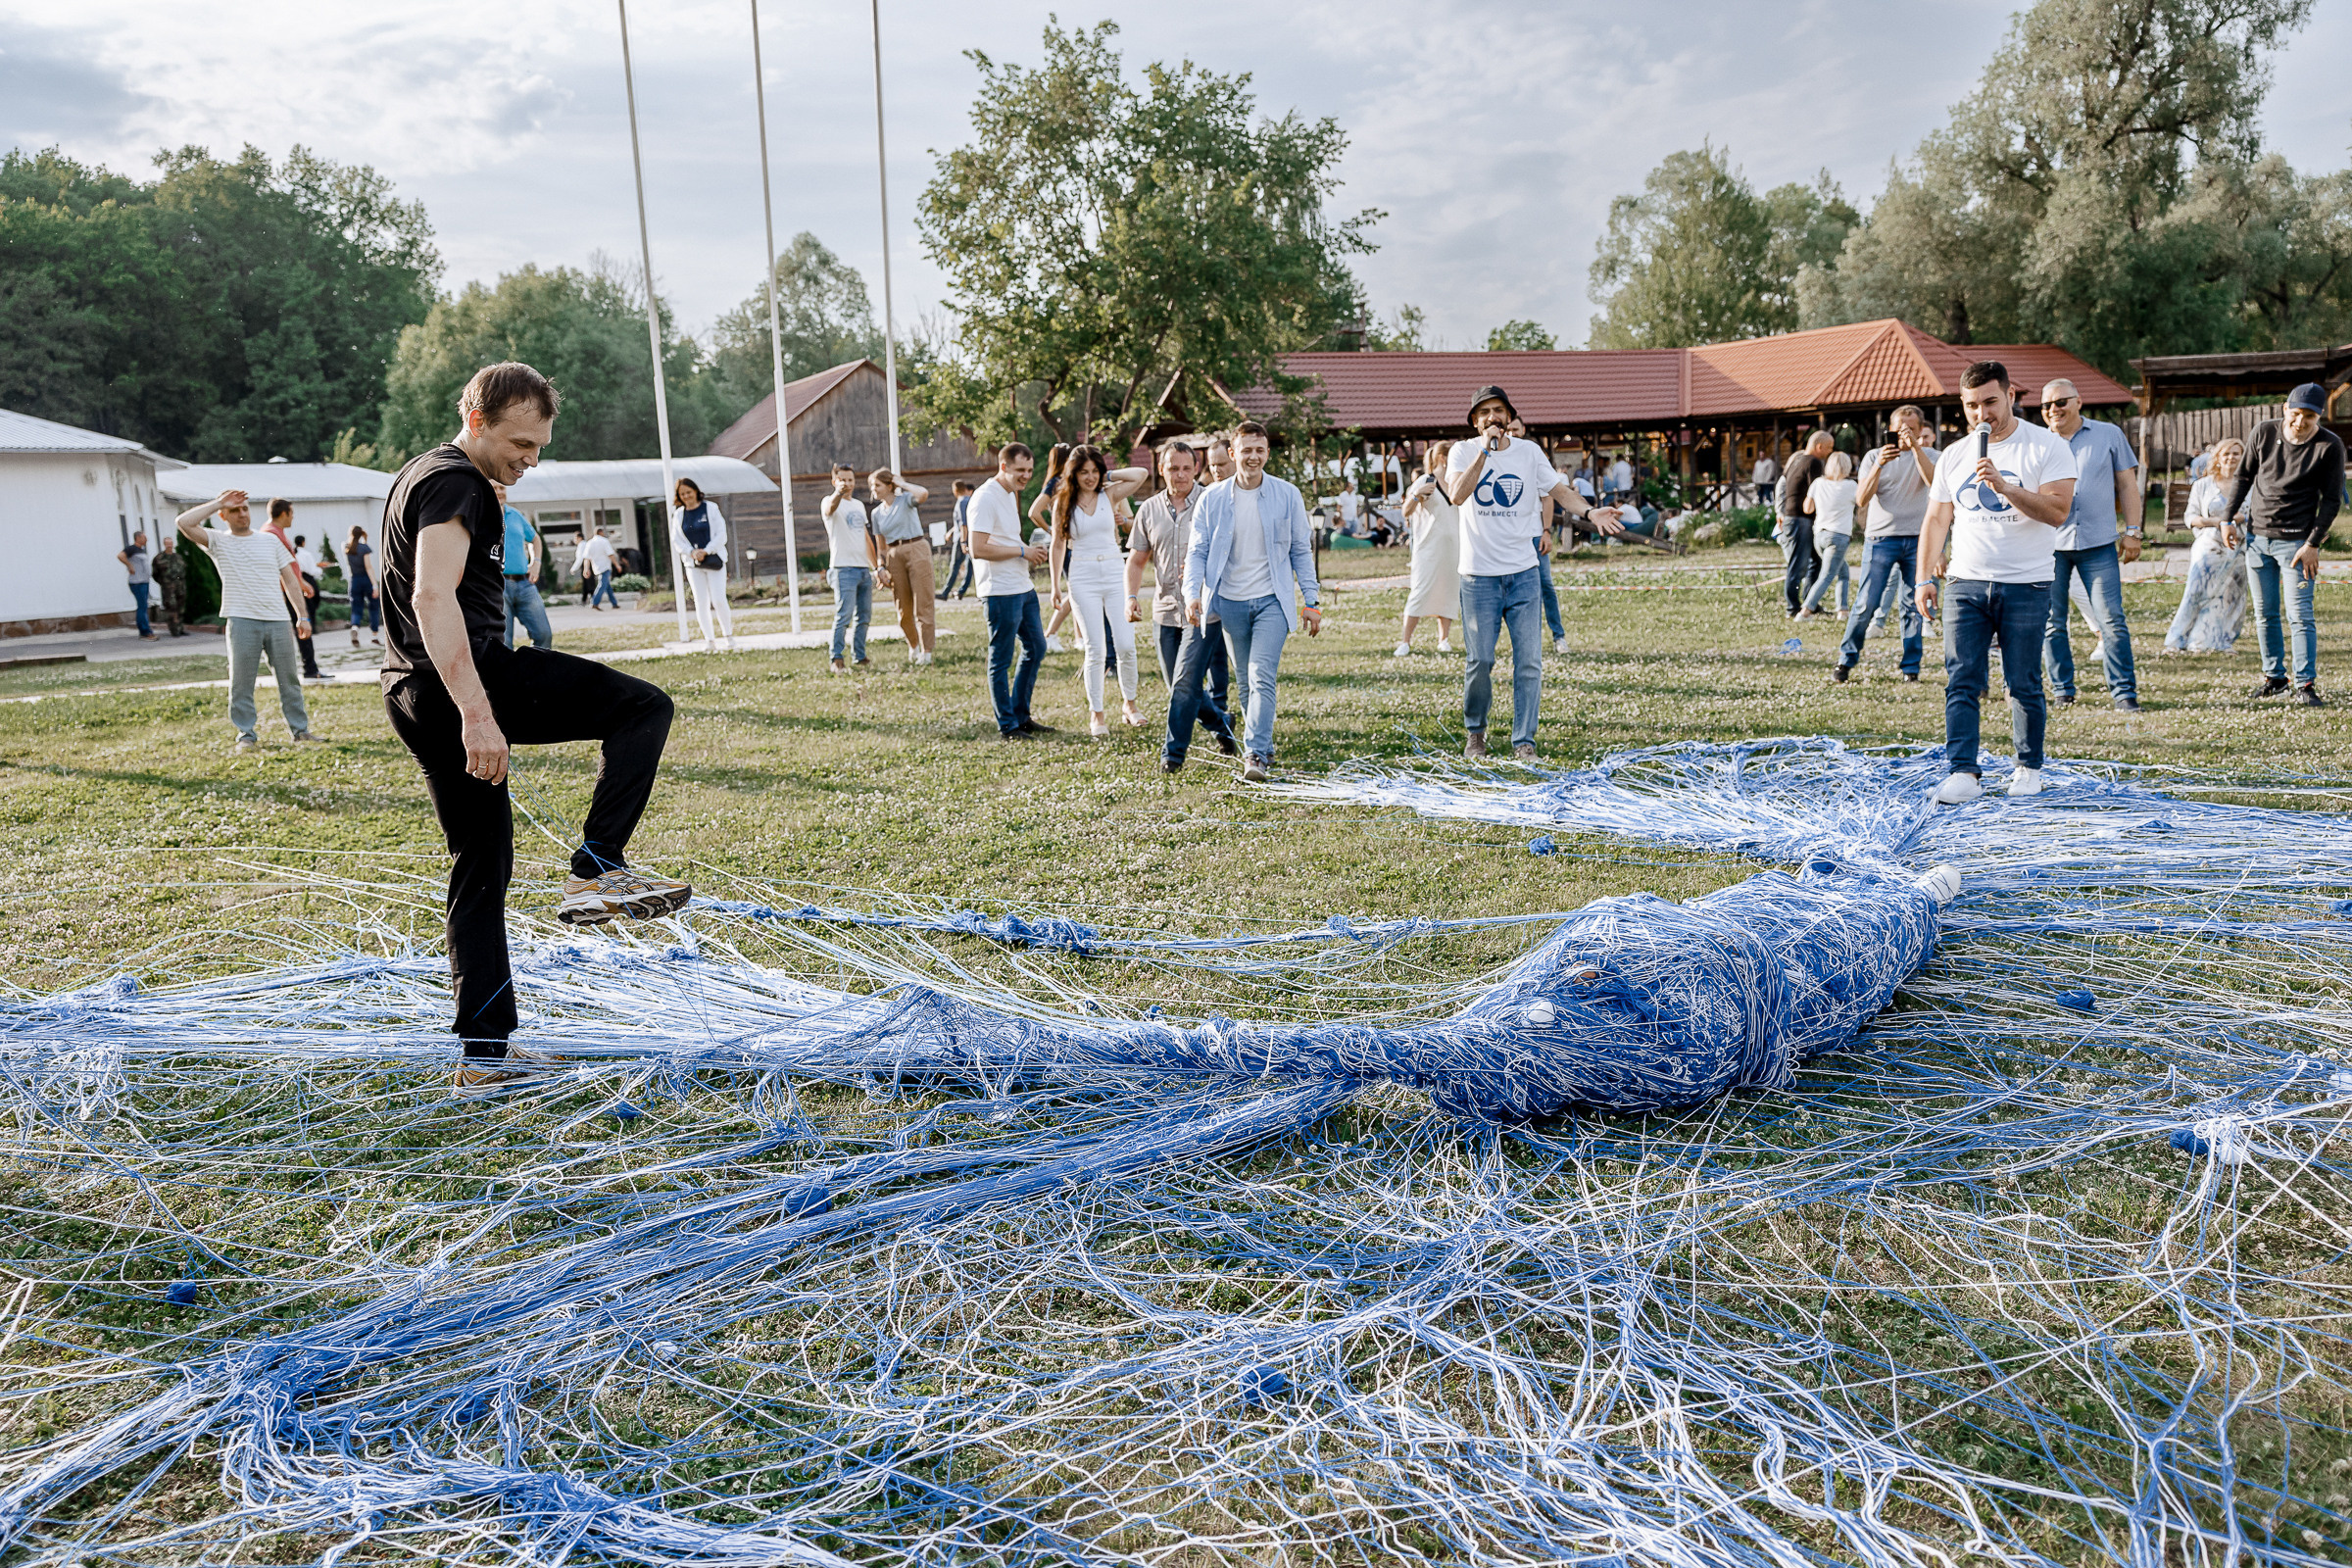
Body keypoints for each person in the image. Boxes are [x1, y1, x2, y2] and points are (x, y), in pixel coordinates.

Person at [377, 361, 691, 1098]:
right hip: (468, 681)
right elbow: (431, 596)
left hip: (409, 689)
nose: (530, 459)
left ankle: (485, 1056)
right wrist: (478, 715)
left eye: (540, 446)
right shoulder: (455, 483)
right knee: (643, 707)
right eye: (519, 442)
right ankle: (597, 867)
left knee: (480, 866)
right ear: (477, 420)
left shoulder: (424, 475)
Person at [1915, 361, 2080, 805]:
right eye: (1971, 405)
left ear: (2010, 395)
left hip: (2026, 584)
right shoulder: (1953, 454)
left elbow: (2058, 511)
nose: (1980, 413)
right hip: (1966, 583)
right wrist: (1924, 577)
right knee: (1962, 677)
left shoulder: (2047, 447)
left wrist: (2006, 488)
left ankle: (2028, 766)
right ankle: (1963, 771)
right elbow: (1936, 518)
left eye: (1989, 401)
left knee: (2022, 681)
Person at [1445, 386, 1623, 760]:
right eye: (1485, 412)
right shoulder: (1463, 451)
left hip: (1523, 574)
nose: (1493, 417)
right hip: (1478, 578)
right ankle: (1475, 734)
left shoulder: (1529, 452)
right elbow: (1457, 495)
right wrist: (1484, 452)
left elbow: (1558, 491)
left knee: (1529, 662)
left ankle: (1524, 741)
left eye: (1499, 411)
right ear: (1476, 421)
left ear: (1510, 418)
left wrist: (1590, 513)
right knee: (1480, 661)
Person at [1177, 421, 1320, 781]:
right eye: (1246, 450)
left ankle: (1254, 753)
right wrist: (1192, 593)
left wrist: (1312, 600)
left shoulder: (1287, 494)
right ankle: (1261, 744)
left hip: (1272, 600)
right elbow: (1197, 551)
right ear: (1233, 453)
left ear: (1267, 453)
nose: (1252, 457)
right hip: (1230, 602)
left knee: (1261, 675)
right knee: (1244, 681)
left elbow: (1301, 550)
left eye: (1259, 450)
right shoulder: (1212, 499)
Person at [2227, 383, 2346, 706]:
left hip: (2297, 545)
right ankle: (2274, 678)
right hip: (2257, 539)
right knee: (2265, 614)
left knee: (2300, 616)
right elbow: (2243, 477)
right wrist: (2228, 519)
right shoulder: (2263, 433)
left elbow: (2332, 501)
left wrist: (2312, 544)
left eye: (2309, 416)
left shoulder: (2329, 446)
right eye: (2295, 414)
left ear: (2319, 416)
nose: (2300, 421)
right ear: (2284, 409)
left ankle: (2305, 684)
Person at [172, 488, 316, 753]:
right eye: (234, 510)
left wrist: (302, 615)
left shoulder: (270, 541)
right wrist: (218, 501)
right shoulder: (217, 541)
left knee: (289, 679)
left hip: (277, 619)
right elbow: (183, 523)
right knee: (241, 682)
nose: (242, 514)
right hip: (242, 620)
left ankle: (300, 731)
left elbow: (290, 580)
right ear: (223, 516)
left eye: (245, 509)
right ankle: (246, 735)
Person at [2038, 379, 2142, 712]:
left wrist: (2134, 531)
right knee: (2052, 621)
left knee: (2111, 618)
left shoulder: (2108, 434)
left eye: (2060, 402)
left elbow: (2127, 484)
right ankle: (2062, 691)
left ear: (2078, 401)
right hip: (2048, 545)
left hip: (2098, 543)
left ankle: (2124, 693)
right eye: (2046, 405)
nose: (2053, 409)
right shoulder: (2037, 442)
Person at [1128, 440, 1238, 757]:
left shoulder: (1212, 502)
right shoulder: (1148, 510)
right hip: (1164, 610)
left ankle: (1172, 754)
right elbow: (1136, 560)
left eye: (1186, 468)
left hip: (1202, 610)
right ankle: (1222, 723)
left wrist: (1200, 568)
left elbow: (1229, 551)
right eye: (1173, 469)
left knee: (1186, 683)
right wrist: (1131, 596)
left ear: (1196, 469)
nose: (1180, 475)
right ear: (1161, 470)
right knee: (1178, 686)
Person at [1832, 407, 1937, 683]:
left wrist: (1915, 448)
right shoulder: (1872, 457)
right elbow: (1861, 499)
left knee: (1913, 605)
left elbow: (1934, 484)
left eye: (1910, 429)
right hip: (1881, 538)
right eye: (1898, 429)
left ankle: (1910, 668)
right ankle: (1846, 660)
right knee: (1867, 601)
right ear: (1888, 429)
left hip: (1918, 538)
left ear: (1919, 430)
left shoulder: (1931, 456)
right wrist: (1879, 464)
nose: (1903, 434)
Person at [1048, 446, 1149, 736]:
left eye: (1094, 471)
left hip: (1116, 572)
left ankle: (1130, 705)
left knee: (1126, 645)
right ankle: (1097, 715)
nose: (1090, 477)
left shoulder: (1109, 494)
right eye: (1084, 472)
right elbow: (1057, 545)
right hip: (1083, 575)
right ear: (1074, 474)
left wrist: (1109, 475)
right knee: (1095, 649)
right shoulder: (1062, 503)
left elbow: (1140, 474)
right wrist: (1055, 584)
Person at [970, 442, 1052, 738]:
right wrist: (1022, 552)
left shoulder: (1009, 494)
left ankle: (1021, 715)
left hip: (1022, 585)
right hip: (1000, 591)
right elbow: (978, 549)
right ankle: (1008, 726)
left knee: (1037, 647)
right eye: (1020, 470)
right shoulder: (984, 498)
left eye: (1029, 470)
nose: (1026, 476)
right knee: (1001, 659)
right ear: (1003, 466)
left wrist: (1030, 552)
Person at [2164, 436, 2249, 655]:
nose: (2231, 457)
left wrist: (2230, 521)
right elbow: (2190, 517)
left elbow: (2251, 513)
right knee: (2195, 592)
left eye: (2236, 453)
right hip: (2209, 545)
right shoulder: (2203, 485)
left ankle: (2212, 640)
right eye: (2226, 453)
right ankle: (2176, 640)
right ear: (2218, 458)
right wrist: (2219, 523)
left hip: (2239, 547)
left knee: (2231, 596)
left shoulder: (2250, 484)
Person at [1508, 418, 1568, 653]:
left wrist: (1546, 531)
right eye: (1508, 429)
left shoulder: (1533, 456)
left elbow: (1547, 497)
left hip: (1534, 535)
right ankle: (1523, 642)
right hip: (1510, 537)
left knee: (1546, 586)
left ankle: (1558, 636)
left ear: (1523, 430)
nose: (1512, 433)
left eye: (1515, 429)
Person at [1396, 439, 1460, 655]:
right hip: (1428, 548)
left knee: (1449, 591)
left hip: (1453, 548)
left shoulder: (1457, 482)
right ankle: (1405, 641)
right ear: (1443, 458)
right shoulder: (1426, 480)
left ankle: (1443, 638)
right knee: (1420, 591)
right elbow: (1406, 511)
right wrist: (1417, 494)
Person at [867, 468, 936, 664]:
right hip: (893, 555)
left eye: (877, 485)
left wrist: (902, 483)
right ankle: (913, 646)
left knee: (923, 603)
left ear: (889, 486)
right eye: (871, 486)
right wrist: (880, 567)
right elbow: (880, 546)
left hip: (916, 548)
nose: (873, 489)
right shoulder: (876, 514)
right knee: (902, 607)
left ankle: (927, 651)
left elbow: (923, 494)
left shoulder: (905, 500)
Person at [821, 464, 877, 672]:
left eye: (851, 480)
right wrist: (838, 493)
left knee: (864, 616)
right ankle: (836, 657)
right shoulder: (829, 501)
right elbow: (830, 509)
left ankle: (859, 656)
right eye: (843, 479)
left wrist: (876, 567)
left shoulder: (859, 506)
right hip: (843, 568)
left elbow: (865, 537)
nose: (847, 483)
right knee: (843, 615)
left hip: (862, 568)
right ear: (835, 481)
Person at [669, 477, 734, 654]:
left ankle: (728, 636)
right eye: (682, 494)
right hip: (693, 563)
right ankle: (710, 640)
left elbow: (721, 534)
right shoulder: (679, 514)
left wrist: (707, 550)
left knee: (719, 599)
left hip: (714, 560)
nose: (686, 496)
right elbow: (676, 540)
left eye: (689, 492)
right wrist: (692, 552)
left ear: (696, 491)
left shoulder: (710, 508)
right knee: (701, 601)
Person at [1796, 453, 1858, 619]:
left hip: (1820, 535)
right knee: (1827, 575)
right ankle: (1805, 611)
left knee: (1843, 572)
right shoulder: (1851, 486)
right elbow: (1862, 502)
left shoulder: (1818, 483)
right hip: (1838, 536)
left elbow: (1807, 509)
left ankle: (1843, 610)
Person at [493, 483, 554, 651]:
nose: (499, 492)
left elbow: (535, 539)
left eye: (501, 488)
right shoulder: (481, 515)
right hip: (498, 586)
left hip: (525, 584)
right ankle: (508, 677)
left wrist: (536, 563)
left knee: (543, 634)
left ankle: (535, 674)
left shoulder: (515, 515)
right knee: (504, 643)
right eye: (493, 488)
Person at [1779, 431, 1834, 617]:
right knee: (1799, 564)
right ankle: (1792, 607)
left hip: (1793, 517)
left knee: (1815, 562)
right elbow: (1817, 491)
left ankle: (1810, 602)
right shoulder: (1813, 462)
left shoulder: (1797, 460)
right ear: (1819, 446)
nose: (1830, 452)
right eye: (1829, 448)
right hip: (1800, 518)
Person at [344, 523, 382, 648]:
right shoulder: (364, 548)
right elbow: (368, 567)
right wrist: (375, 586)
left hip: (354, 580)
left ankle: (355, 627)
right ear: (361, 534)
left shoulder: (346, 547)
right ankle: (374, 636)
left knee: (356, 608)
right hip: (366, 579)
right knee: (374, 607)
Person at [941, 480, 977, 599]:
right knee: (970, 565)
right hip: (969, 537)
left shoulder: (961, 502)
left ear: (955, 490)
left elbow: (963, 524)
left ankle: (945, 592)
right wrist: (951, 531)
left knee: (955, 565)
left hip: (961, 539)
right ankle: (961, 591)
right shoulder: (969, 500)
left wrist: (963, 541)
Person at [117, 530, 156, 640]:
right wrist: (130, 566)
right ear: (138, 538)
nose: (146, 539)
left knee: (143, 606)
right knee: (142, 607)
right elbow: (120, 556)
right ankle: (145, 632)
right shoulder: (132, 549)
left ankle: (145, 631)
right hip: (137, 583)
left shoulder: (141, 550)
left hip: (144, 581)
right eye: (144, 537)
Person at [151, 530, 188, 637]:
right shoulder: (159, 558)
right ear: (164, 544)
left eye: (171, 543)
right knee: (171, 609)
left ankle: (180, 628)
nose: (169, 545)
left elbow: (184, 570)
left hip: (180, 587)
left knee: (181, 608)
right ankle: (174, 630)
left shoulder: (178, 557)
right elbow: (155, 574)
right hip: (168, 588)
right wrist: (165, 583)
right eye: (167, 544)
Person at [581, 527, 619, 610]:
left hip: (596, 568)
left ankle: (614, 603)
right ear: (601, 532)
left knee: (607, 586)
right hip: (605, 567)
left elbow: (586, 558)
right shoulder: (604, 541)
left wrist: (586, 569)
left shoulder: (589, 543)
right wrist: (617, 565)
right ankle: (594, 602)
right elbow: (610, 554)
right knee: (602, 585)